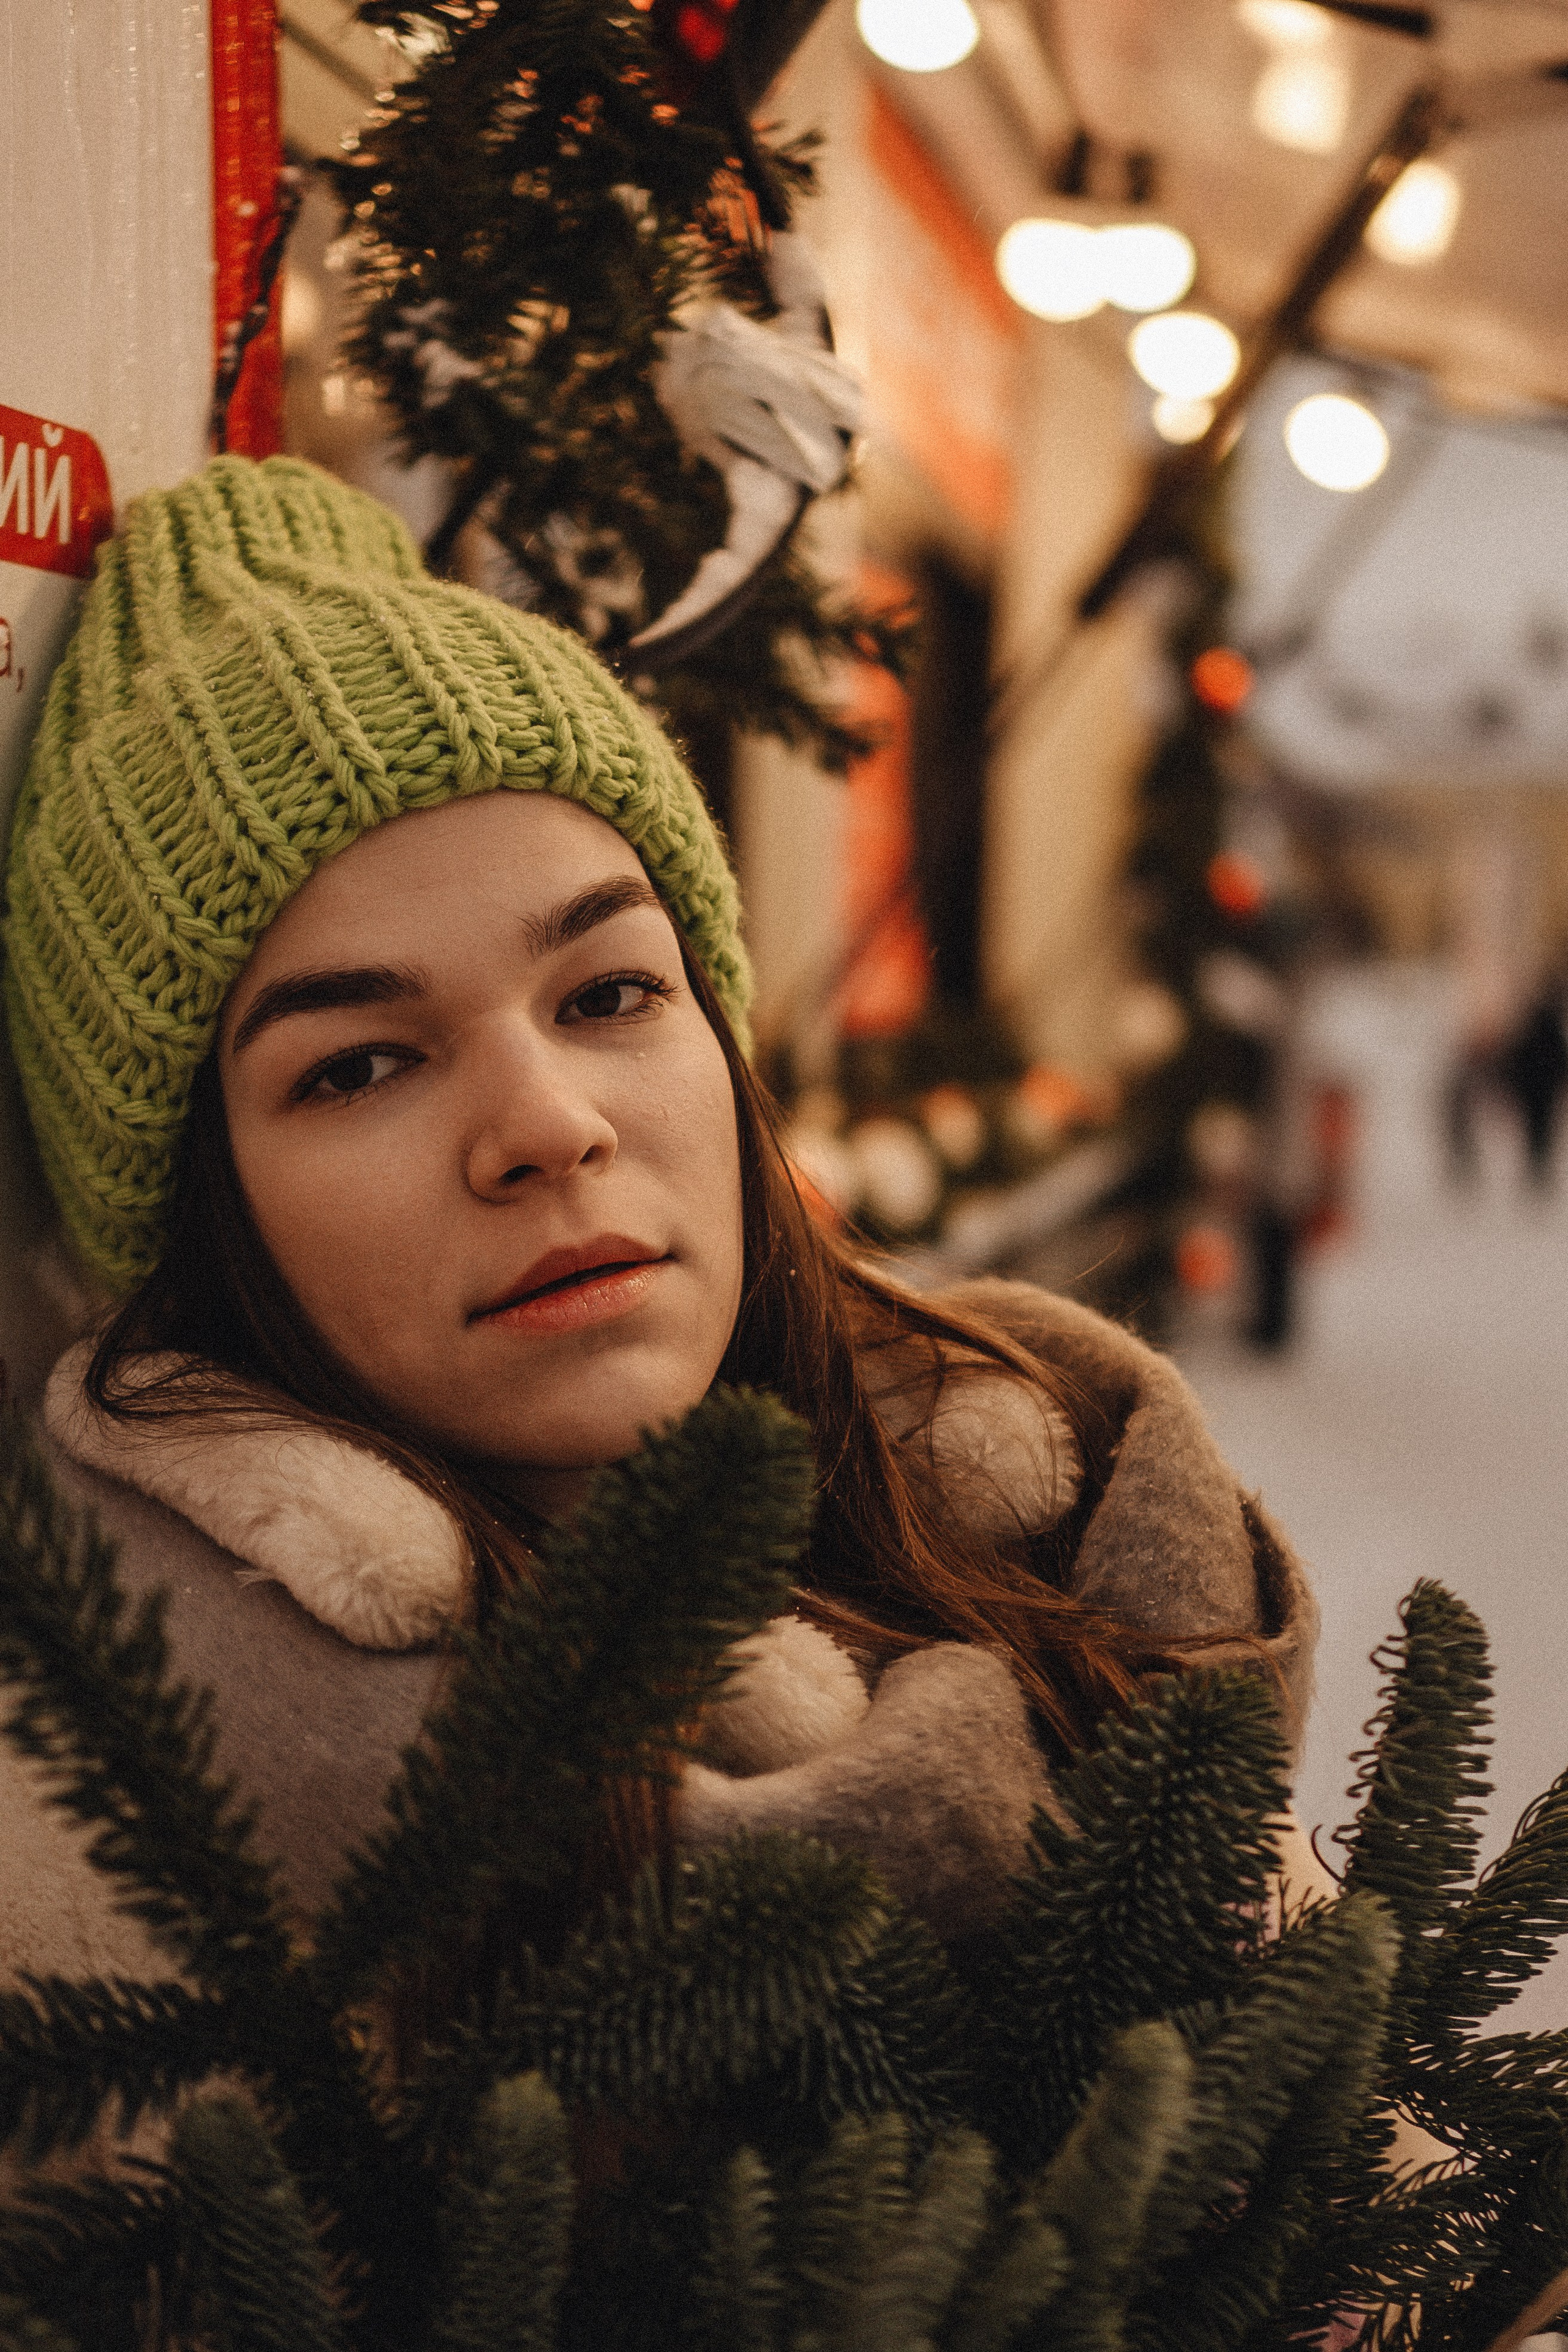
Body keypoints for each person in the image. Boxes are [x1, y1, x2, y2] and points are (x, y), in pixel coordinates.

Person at [0, 456, 1322, 2029]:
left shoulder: (1075, 1572)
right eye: (357, 1064)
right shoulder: (116, 1910)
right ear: (201, 1220)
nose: (549, 1125)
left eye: (610, 992)